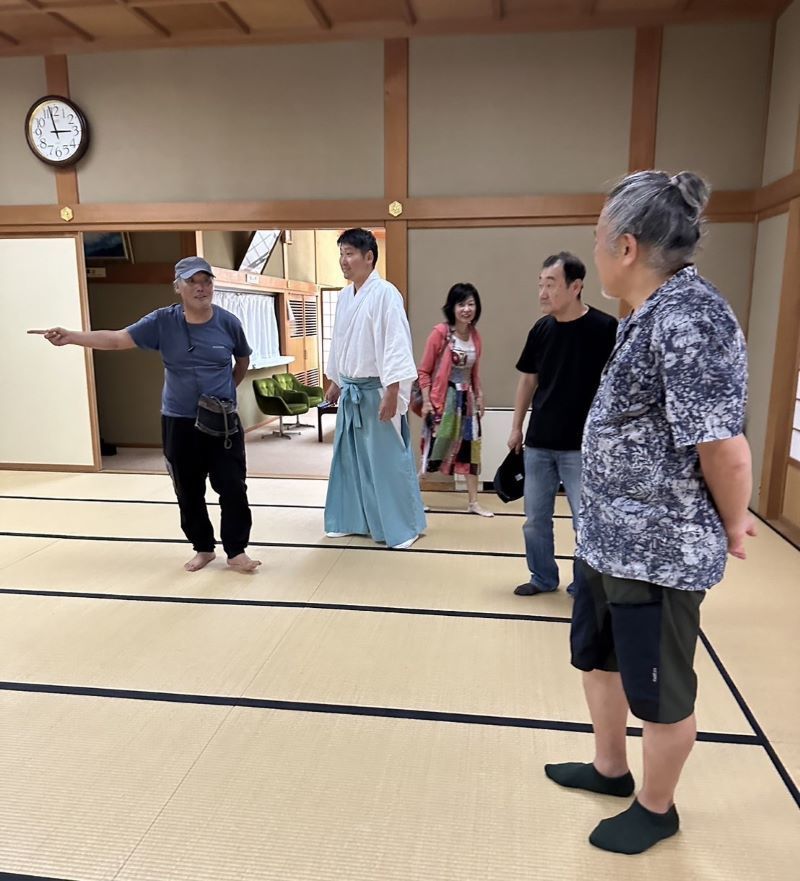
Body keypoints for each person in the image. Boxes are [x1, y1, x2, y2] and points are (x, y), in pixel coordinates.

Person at [545, 171, 755, 854]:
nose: (595, 250)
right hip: (607, 537)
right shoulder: (647, 313)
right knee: (597, 659)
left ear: (627, 246)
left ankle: (657, 807)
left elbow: (723, 446)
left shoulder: (693, 317)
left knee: (660, 692)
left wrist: (733, 522)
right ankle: (611, 768)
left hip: (659, 551)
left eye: (598, 238)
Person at [32, 256, 261, 573]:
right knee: (188, 488)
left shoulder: (228, 322)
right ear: (178, 287)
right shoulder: (162, 321)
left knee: (233, 486)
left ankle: (236, 552)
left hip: (222, 421)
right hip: (179, 420)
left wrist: (225, 393)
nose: (200, 288)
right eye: (192, 282)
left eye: (206, 281)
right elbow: (117, 339)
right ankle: (203, 548)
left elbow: (242, 361)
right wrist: (72, 336)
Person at [508, 252, 617, 597]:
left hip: (583, 446)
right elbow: (528, 380)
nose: (542, 292)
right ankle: (542, 577)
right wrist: (516, 426)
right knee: (534, 520)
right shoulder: (541, 329)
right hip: (540, 442)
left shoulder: (606, 329)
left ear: (576, 286)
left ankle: (584, 585)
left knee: (586, 521)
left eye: (551, 284)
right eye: (540, 284)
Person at [323, 228, 426, 549]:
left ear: (369, 257)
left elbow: (396, 344)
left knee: (386, 461)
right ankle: (354, 520)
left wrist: (393, 392)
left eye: (350, 253)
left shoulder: (386, 294)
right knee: (351, 460)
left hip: (378, 391)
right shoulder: (345, 297)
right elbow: (340, 342)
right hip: (351, 391)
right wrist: (335, 381)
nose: (344, 260)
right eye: (341, 254)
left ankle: (403, 526)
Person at [418, 282, 493, 517]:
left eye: (471, 304)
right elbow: (423, 371)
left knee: (471, 449)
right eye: (461, 304)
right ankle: (413, 500)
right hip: (444, 401)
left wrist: (479, 395)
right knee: (433, 449)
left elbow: (474, 372)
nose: (466, 309)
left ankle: (473, 502)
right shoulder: (440, 333)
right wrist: (427, 401)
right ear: (452, 307)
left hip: (467, 402)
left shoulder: (475, 337)